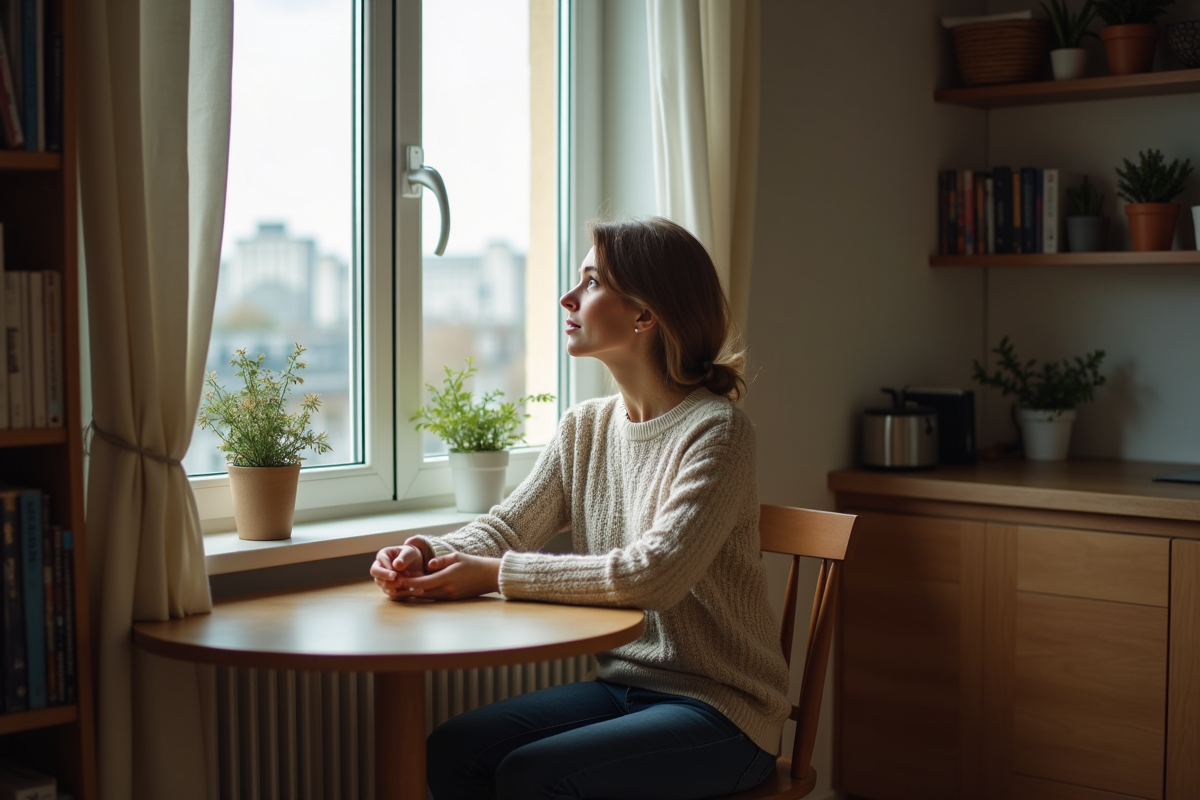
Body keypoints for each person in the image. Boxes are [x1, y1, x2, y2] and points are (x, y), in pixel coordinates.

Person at [370, 217, 790, 799]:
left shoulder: (717, 432)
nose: (568, 297)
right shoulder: (585, 427)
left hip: (723, 711)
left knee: (532, 776)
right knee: (452, 749)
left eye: (591, 282)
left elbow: (654, 574)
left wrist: (495, 575)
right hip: (625, 688)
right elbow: (509, 526)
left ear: (644, 316)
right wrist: (427, 553)